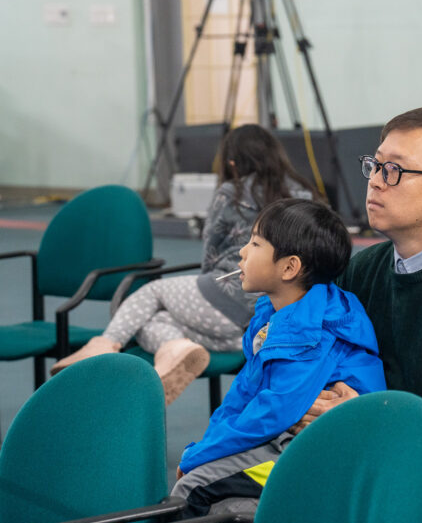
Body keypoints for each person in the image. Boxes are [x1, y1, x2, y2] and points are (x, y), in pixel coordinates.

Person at [194, 107, 422, 523]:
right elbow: (312, 351)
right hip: (361, 455)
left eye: (394, 170)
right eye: (375, 166)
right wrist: (314, 396)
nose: (375, 181)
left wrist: (369, 418)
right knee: (218, 513)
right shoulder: (363, 270)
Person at [50, 124, 316, 404]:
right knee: (155, 320)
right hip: (276, 312)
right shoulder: (303, 194)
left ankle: (106, 344)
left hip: (229, 292)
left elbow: (210, 250)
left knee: (151, 293)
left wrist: (207, 289)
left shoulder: (232, 191)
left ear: (233, 162)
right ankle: (179, 347)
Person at [171, 198, 385, 519]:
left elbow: (274, 412)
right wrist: (204, 448)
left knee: (193, 487)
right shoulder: (274, 314)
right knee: (204, 479)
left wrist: (198, 458)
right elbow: (244, 392)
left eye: (255, 243)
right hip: (287, 435)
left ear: (289, 268)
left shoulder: (310, 332)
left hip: (327, 457)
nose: (243, 252)